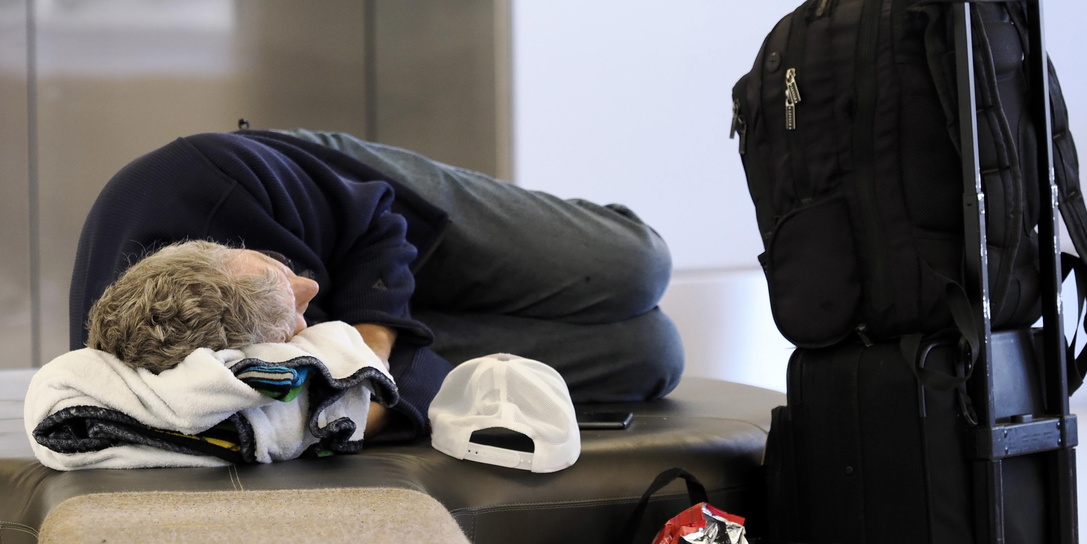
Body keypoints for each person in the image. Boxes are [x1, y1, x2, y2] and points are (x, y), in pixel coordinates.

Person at [71, 128, 684, 438]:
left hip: (358, 213)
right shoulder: (157, 358)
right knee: (652, 357)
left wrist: (368, 351)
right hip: (336, 342)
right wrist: (357, 404)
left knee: (636, 266)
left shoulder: (210, 177)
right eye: (293, 310)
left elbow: (376, 223)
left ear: (231, 253)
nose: (310, 290)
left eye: (284, 277)